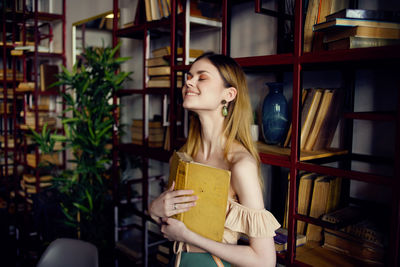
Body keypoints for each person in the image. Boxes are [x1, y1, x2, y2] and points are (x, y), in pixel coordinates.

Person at [149, 52, 280, 267]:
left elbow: (264, 261)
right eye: (189, 76)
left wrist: (188, 236)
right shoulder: (183, 156)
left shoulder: (240, 164)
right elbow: (170, 226)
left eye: (202, 77)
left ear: (228, 94)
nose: (188, 81)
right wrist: (154, 210)